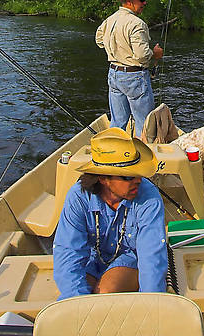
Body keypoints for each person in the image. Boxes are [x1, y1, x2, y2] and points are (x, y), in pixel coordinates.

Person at [53, 127, 168, 300]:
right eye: (128, 176)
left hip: (130, 259)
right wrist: (74, 303)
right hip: (92, 258)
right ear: (103, 178)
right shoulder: (77, 197)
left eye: (138, 174)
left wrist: (152, 305)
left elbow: (151, 258)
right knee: (78, 292)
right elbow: (68, 252)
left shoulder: (149, 198)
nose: (138, 180)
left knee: (106, 291)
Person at [96, 0, 163, 137]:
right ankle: (143, 156)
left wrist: (116, 49)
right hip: (134, 77)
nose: (144, 3)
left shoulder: (109, 20)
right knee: (144, 125)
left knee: (118, 122)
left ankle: (113, 153)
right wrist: (156, 54)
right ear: (128, 1)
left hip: (114, 75)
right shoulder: (137, 24)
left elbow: (99, 40)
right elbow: (142, 56)